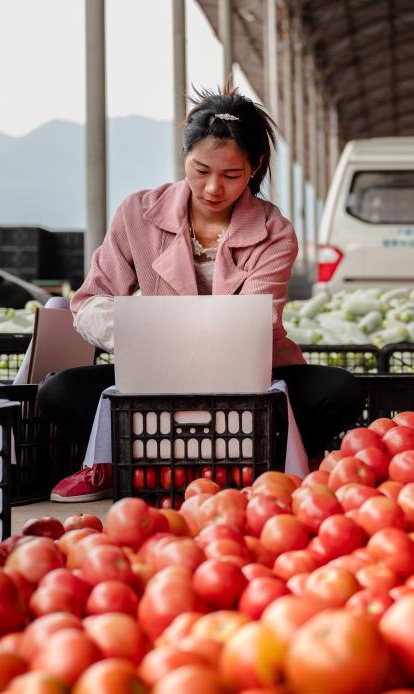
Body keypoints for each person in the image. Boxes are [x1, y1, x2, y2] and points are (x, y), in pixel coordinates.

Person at [39, 82, 365, 502]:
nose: (213, 187)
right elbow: (90, 299)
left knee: (339, 390)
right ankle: (116, 460)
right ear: (184, 159)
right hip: (153, 381)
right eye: (200, 170)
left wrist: (186, 339)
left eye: (230, 175)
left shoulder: (274, 232)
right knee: (58, 391)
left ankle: (250, 459)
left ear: (255, 166)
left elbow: (258, 323)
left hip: (250, 383)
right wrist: (139, 337)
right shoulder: (138, 213)